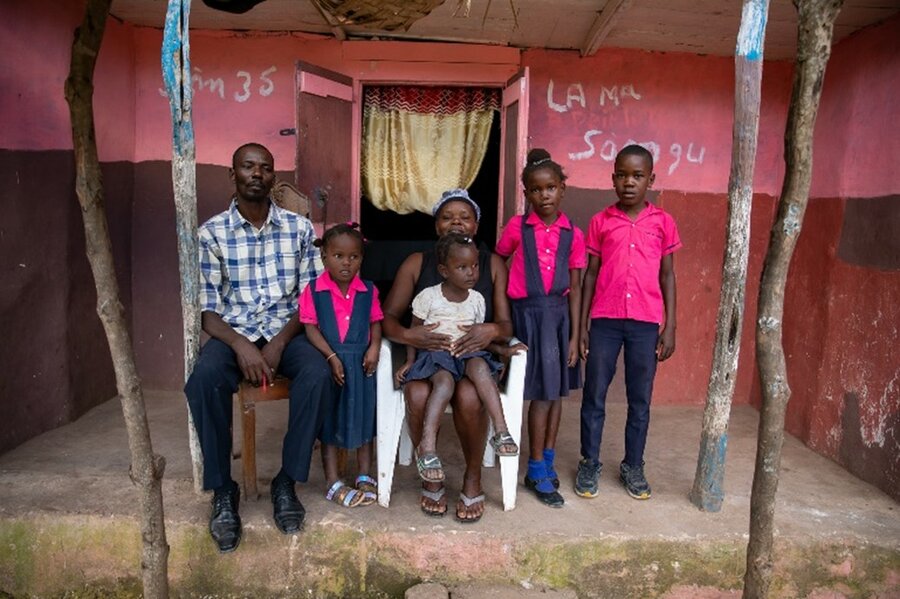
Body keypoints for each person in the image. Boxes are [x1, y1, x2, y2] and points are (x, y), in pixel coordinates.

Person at [185, 142, 330, 553]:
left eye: (265, 168)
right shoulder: (211, 233)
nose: (256, 174)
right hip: (234, 334)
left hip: (288, 330)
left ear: (273, 177)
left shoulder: (298, 229)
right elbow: (206, 310)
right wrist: (242, 345)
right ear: (233, 175)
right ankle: (222, 491)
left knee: (319, 376)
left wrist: (280, 343)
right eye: (247, 167)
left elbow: (311, 299)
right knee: (204, 380)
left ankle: (287, 480)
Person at [382, 188, 515, 523]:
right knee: (417, 390)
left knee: (470, 397)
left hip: (471, 358)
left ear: (476, 225)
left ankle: (472, 476)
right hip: (433, 357)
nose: (456, 222)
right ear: (436, 225)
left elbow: (504, 322)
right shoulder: (418, 264)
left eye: (465, 216)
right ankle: (431, 475)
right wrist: (410, 336)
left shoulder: (492, 264)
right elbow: (388, 318)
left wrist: (491, 332)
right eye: (447, 216)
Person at [576, 144, 681, 501]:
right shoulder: (601, 222)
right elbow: (590, 275)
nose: (628, 182)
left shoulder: (663, 222)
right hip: (604, 320)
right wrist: (582, 327)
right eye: (622, 175)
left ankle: (633, 465)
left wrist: (671, 325)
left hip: (645, 323)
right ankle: (589, 461)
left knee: (640, 398)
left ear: (650, 179)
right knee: (594, 394)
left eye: (637, 176)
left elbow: (668, 275)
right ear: (613, 179)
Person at [496, 148, 586, 508]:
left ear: (562, 189)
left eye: (550, 188)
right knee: (538, 394)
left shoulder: (573, 234)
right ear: (526, 193)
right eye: (535, 190)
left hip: (560, 317)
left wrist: (577, 335)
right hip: (527, 316)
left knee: (556, 392)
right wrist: (501, 309)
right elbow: (498, 261)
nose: (543, 195)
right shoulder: (518, 228)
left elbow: (577, 287)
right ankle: (534, 467)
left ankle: (546, 461)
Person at [396, 233, 519, 487]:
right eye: (462, 267)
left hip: (466, 352)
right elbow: (414, 332)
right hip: (437, 353)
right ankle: (428, 446)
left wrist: (502, 350)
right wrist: (410, 361)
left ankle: (501, 431)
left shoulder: (477, 299)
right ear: (444, 270)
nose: (471, 273)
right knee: (444, 384)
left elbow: (476, 334)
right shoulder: (428, 297)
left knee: (481, 368)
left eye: (474, 266)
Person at [299, 223, 383, 508]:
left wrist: (374, 347)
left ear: (361, 258)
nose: (346, 263)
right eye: (338, 256)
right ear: (324, 257)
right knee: (330, 421)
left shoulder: (368, 291)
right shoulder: (314, 290)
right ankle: (333, 481)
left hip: (361, 365)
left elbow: (376, 322)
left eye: (354, 257)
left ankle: (363, 474)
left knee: (365, 419)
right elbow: (310, 328)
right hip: (332, 364)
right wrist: (330, 356)